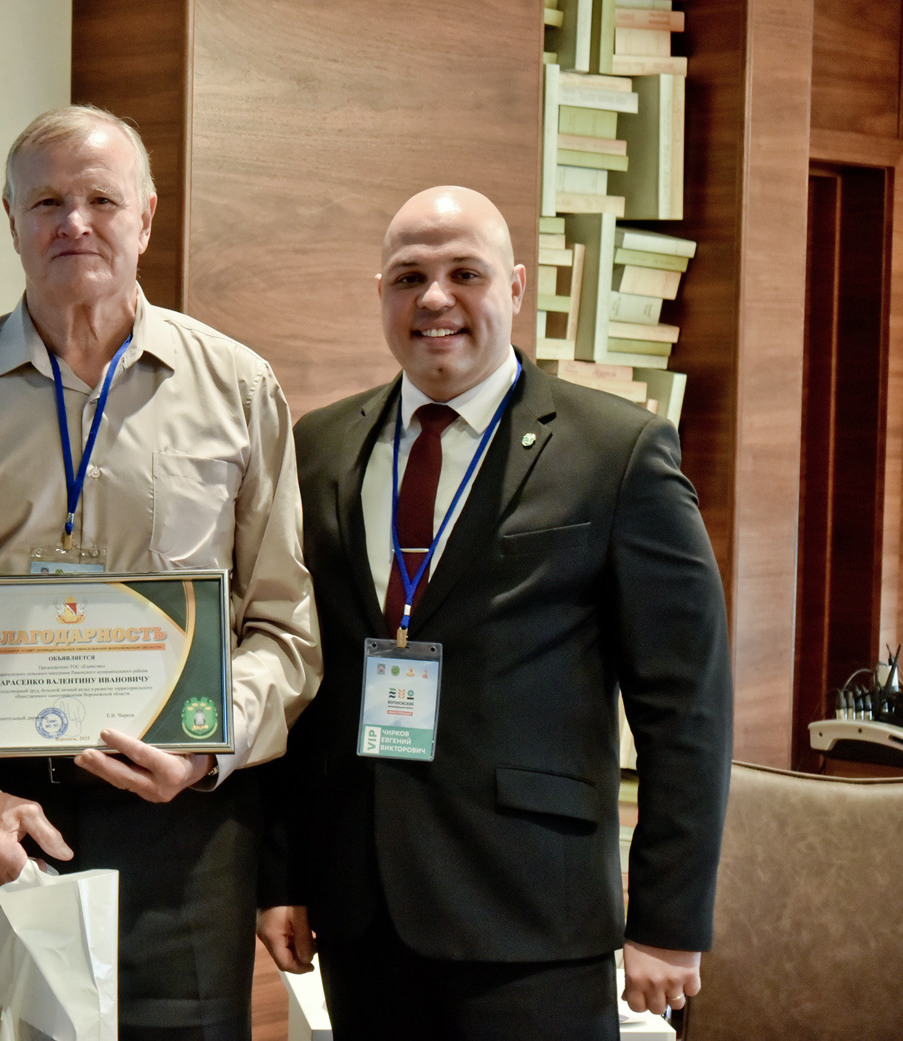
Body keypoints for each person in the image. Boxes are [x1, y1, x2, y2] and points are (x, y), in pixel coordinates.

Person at [0, 105, 320, 1040]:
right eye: (47, 202)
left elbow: (285, 632)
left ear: (146, 215)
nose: (75, 222)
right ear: (11, 219)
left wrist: (209, 746)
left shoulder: (239, 389)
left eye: (102, 200)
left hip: (186, 831)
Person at [256, 186, 733, 1039]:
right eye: (410, 277)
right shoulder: (320, 446)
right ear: (380, 294)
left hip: (532, 914)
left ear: (515, 287)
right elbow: (305, 679)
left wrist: (669, 916)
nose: (435, 299)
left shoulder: (616, 451)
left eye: (464, 273)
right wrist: (282, 871)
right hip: (362, 910)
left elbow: (686, 705)